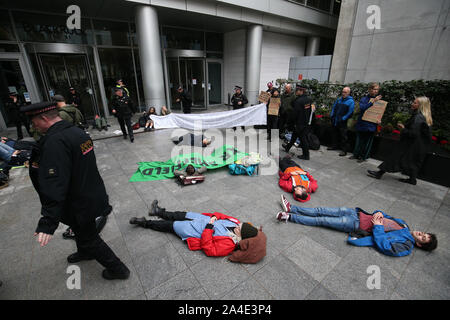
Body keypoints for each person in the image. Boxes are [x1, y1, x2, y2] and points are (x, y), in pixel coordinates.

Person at [21, 101, 130, 280]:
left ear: (43, 118)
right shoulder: (77, 132)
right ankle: (85, 252)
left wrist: (48, 222)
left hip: (78, 201)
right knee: (81, 230)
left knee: (89, 237)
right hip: (90, 193)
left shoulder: (55, 142)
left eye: (34, 123)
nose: (34, 127)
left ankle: (118, 269)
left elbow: (54, 183)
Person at [275, 199, 438, 257]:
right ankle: (292, 208)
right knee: (321, 210)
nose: (421, 234)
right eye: (424, 233)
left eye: (423, 238)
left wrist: (379, 227)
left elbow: (386, 247)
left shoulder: (406, 246)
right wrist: (379, 213)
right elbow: (384, 214)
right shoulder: (404, 224)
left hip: (356, 225)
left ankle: (289, 217)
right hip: (356, 213)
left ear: (419, 244)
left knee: (321, 220)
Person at [129, 200, 265, 262]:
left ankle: (145, 223)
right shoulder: (236, 222)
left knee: (169, 225)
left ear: (240, 236)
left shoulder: (229, 244)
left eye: (238, 229)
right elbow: (222, 215)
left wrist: (209, 228)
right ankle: (158, 211)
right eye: (239, 225)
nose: (237, 226)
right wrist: (215, 217)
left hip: (194, 231)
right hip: (200, 218)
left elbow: (209, 249)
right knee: (179, 214)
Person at [367, 96, 433, 185]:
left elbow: (413, 133)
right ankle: (412, 179)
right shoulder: (423, 116)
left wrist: (403, 129)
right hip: (418, 145)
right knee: (413, 161)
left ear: (421, 105)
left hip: (411, 144)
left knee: (394, 156)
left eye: (415, 103)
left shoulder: (418, 117)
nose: (412, 104)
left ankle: (379, 173)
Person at [351, 83, 382, 162]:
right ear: (370, 89)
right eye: (374, 89)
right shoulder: (364, 99)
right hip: (362, 123)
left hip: (371, 124)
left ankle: (362, 156)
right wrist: (372, 102)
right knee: (359, 140)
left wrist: (379, 120)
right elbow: (362, 108)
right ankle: (356, 154)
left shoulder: (380, 101)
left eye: (377, 89)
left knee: (366, 142)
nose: (375, 91)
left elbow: (380, 113)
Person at [282, 84, 313, 160]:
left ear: (301, 91)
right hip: (305, 122)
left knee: (303, 139)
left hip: (299, 123)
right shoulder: (308, 100)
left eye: (297, 90)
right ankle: (287, 147)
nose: (295, 91)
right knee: (294, 137)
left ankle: (306, 155)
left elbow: (294, 114)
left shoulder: (299, 101)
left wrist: (289, 123)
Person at [328, 87, 355, 156]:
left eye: (345, 92)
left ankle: (344, 150)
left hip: (343, 121)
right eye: (343, 92)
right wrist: (332, 114)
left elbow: (350, 112)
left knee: (343, 136)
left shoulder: (351, 101)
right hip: (335, 120)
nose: (343, 93)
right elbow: (334, 107)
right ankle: (334, 146)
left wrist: (344, 118)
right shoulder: (339, 99)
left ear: (348, 93)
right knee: (334, 134)